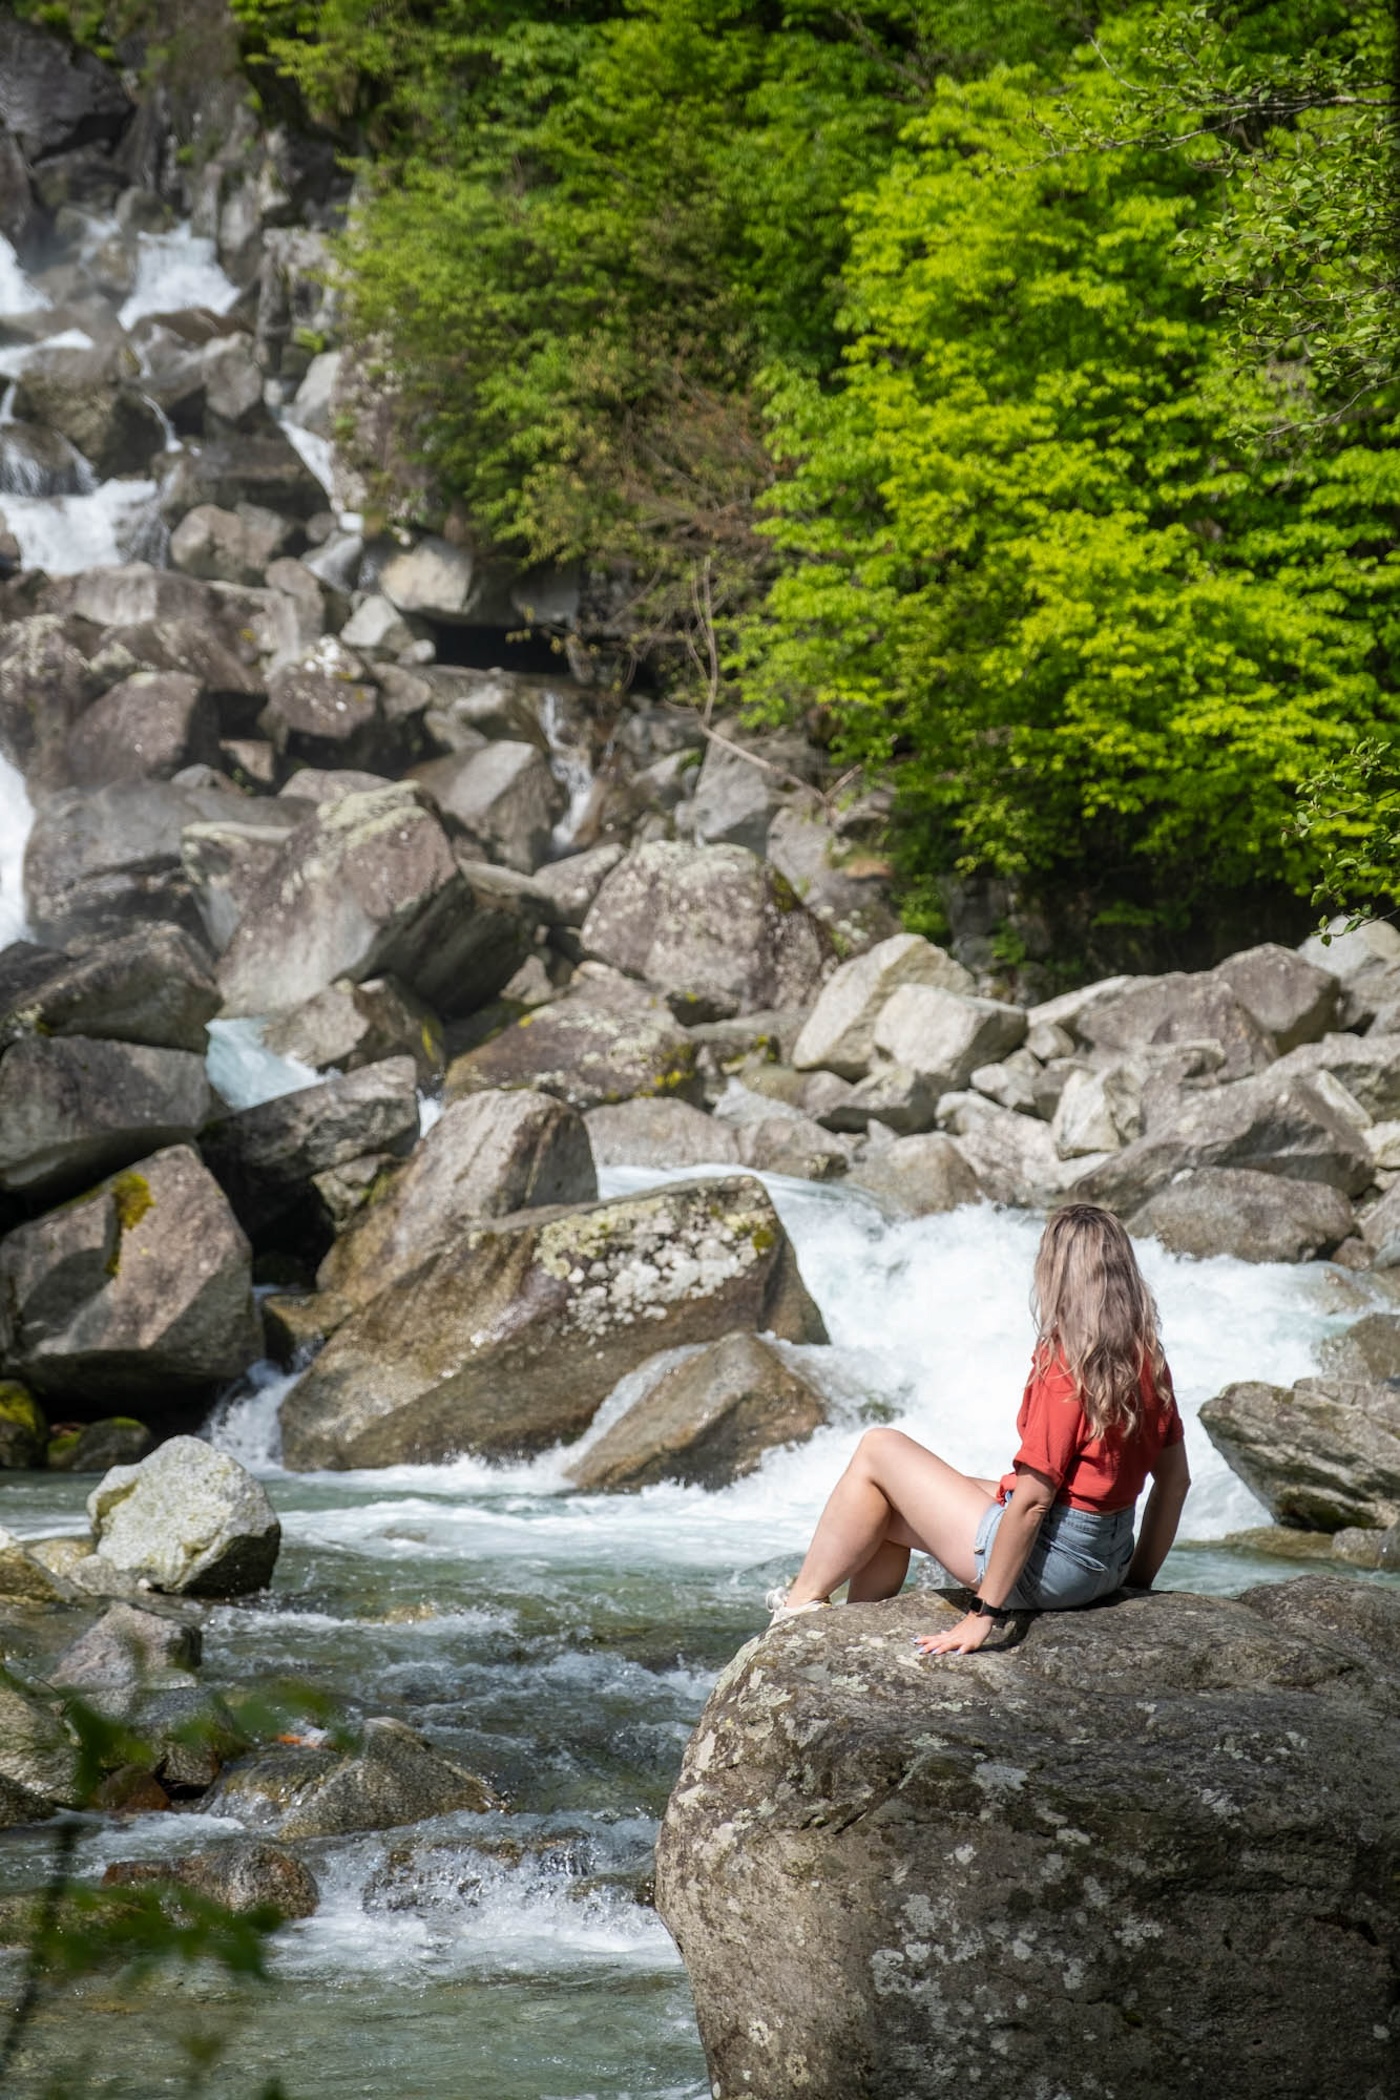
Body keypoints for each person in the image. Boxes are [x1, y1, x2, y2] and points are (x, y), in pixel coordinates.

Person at [766, 1202, 1191, 1654]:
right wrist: (1135, 1581)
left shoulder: (1067, 1366)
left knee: (878, 1447)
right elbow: (1175, 1482)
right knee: (886, 1502)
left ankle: (794, 1612)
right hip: (1107, 1562)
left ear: (1057, 1274)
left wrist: (982, 1615)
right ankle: (852, 1626)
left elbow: (1032, 1503)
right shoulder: (1145, 1358)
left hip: (1052, 1568)